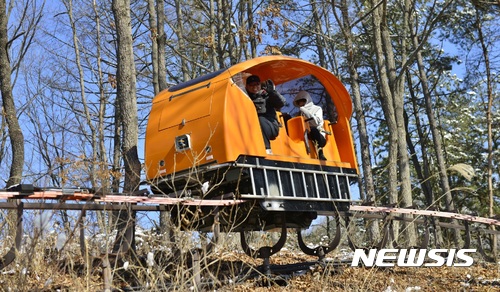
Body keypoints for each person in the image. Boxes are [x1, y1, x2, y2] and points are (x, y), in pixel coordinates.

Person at [245, 75, 286, 153]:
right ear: (247, 86)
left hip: (271, 125)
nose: (254, 87)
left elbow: (280, 103)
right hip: (251, 128)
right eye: (251, 85)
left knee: (260, 119)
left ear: (260, 85)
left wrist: (272, 93)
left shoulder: (266, 95)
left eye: (256, 84)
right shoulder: (244, 97)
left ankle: (267, 149)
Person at [293, 91, 327, 160]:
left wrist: (304, 110)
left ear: (307, 100)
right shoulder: (300, 113)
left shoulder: (317, 109)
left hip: (318, 136)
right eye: (299, 102)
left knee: (314, 130)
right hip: (303, 135)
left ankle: (320, 153)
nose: (300, 104)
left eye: (302, 101)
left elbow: (315, 123)